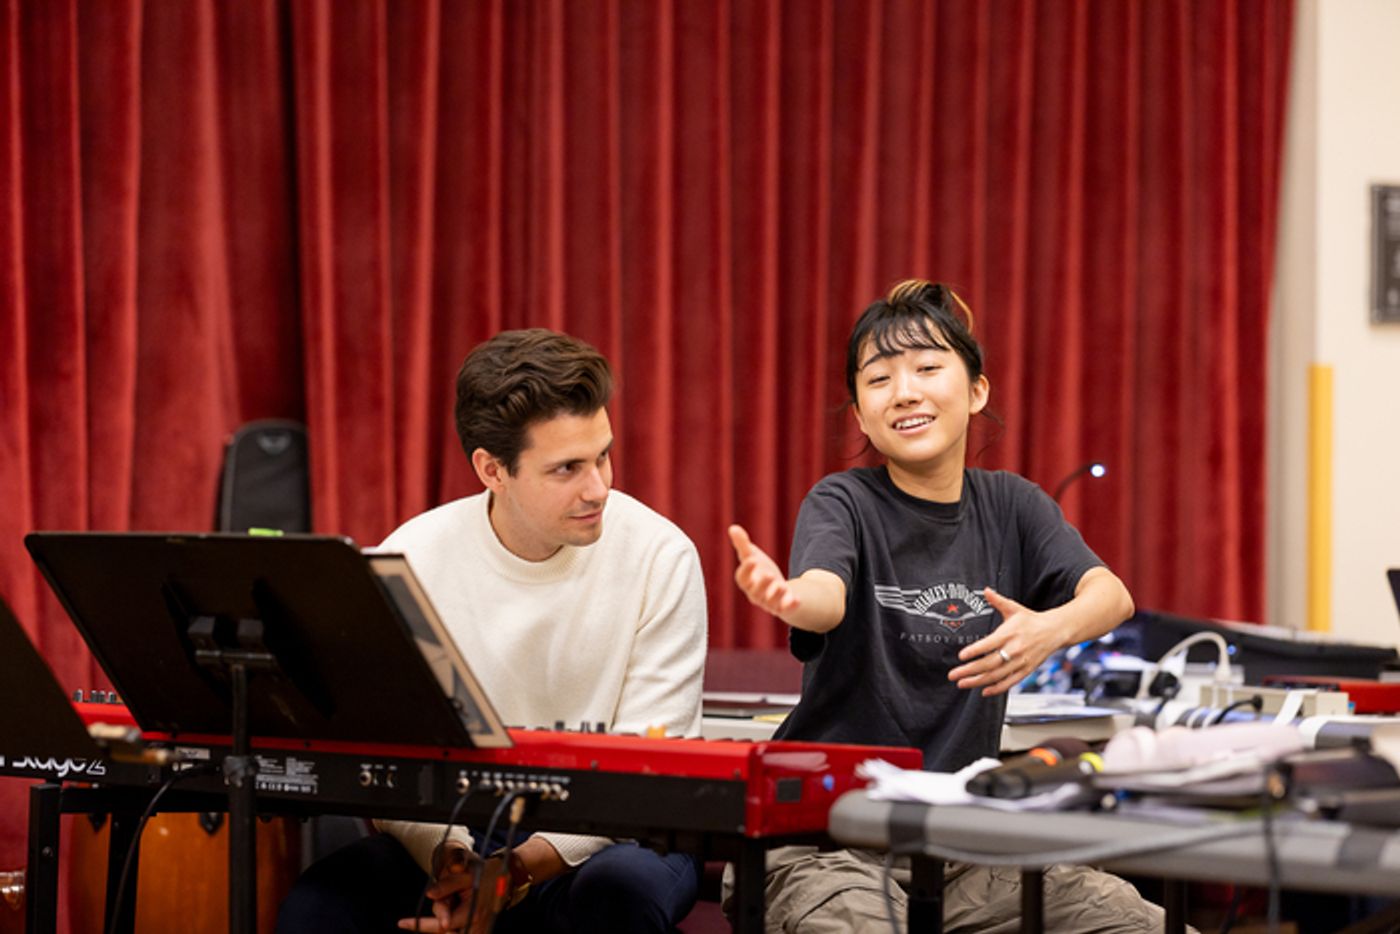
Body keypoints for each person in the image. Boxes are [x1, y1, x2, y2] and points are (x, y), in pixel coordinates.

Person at [727, 280, 1171, 932]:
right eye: (878, 379)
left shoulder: (1013, 505)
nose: (904, 391)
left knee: (1133, 921)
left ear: (977, 390)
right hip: (825, 844)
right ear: (859, 413)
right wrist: (791, 598)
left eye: (928, 368)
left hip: (959, 848)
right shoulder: (842, 501)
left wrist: (1049, 630)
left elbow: (1111, 596)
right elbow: (825, 597)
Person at [277, 329, 707, 934]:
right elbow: (390, 760)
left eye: (603, 455)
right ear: (491, 469)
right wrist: (453, 860)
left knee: (620, 896)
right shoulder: (411, 558)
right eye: (567, 468)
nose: (599, 488)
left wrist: (514, 872)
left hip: (621, 836)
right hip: (463, 827)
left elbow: (649, 778)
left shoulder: (662, 556)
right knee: (318, 909)